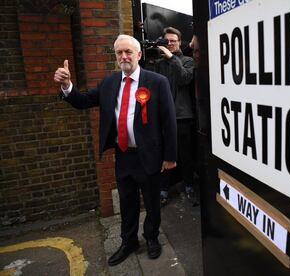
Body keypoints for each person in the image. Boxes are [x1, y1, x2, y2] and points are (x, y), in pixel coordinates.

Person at [53, 34, 177, 266]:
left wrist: (170, 157)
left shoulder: (157, 82)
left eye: (128, 52)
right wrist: (67, 86)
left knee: (151, 202)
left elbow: (169, 121)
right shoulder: (109, 83)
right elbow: (83, 100)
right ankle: (128, 242)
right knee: (127, 202)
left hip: (149, 155)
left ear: (138, 55)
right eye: (119, 52)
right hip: (124, 155)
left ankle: (151, 238)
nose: (123, 56)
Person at [154, 27, 196, 206]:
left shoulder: (188, 61)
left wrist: (172, 59)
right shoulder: (157, 63)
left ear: (180, 42)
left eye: (174, 40)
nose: (170, 44)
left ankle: (189, 185)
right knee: (164, 155)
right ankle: (163, 189)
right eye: (167, 41)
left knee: (186, 155)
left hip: (182, 117)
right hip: (162, 118)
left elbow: (184, 79)